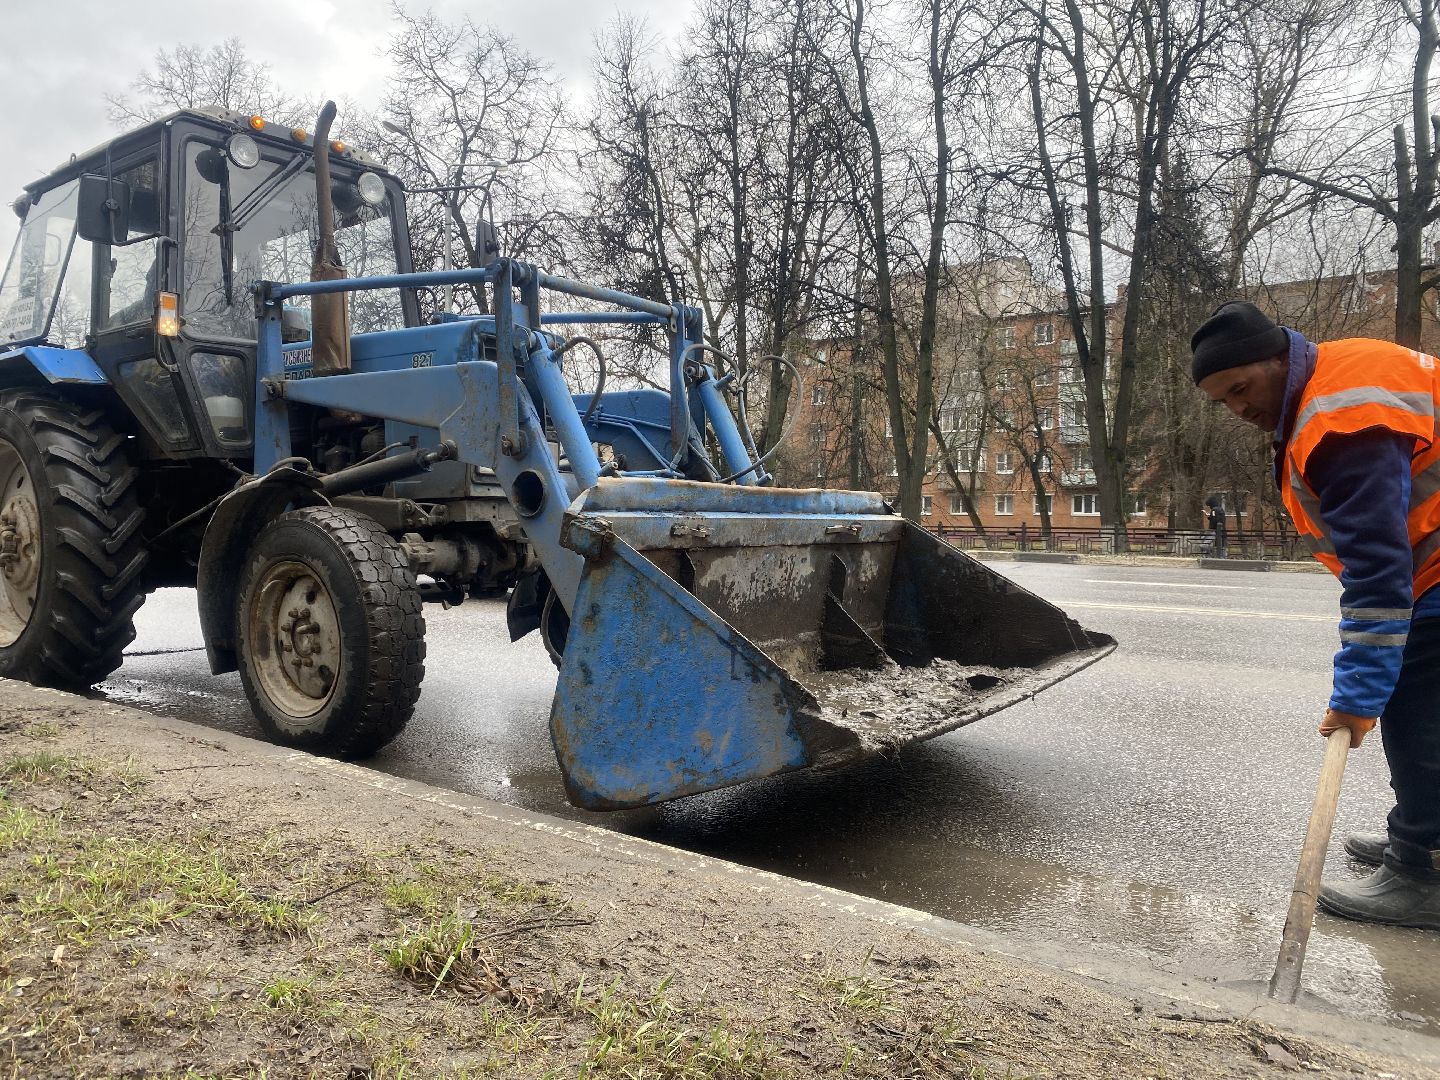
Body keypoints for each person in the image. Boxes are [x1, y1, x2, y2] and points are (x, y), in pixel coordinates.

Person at [1191, 300, 1440, 929]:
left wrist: (1356, 699)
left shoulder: (1341, 417)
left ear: (1279, 359)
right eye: (1223, 401)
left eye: (1241, 388)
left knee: (1419, 716)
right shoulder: (1332, 379)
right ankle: (1420, 828)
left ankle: (1425, 868)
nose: (1239, 409)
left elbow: (1378, 573)